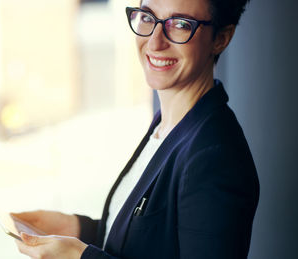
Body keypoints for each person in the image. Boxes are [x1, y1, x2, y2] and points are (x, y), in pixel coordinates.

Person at [14, 0, 260, 258]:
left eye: (180, 24)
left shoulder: (214, 156)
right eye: (147, 17)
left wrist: (81, 256)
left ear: (221, 38)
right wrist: (77, 228)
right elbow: (152, 241)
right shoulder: (167, 126)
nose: (155, 42)